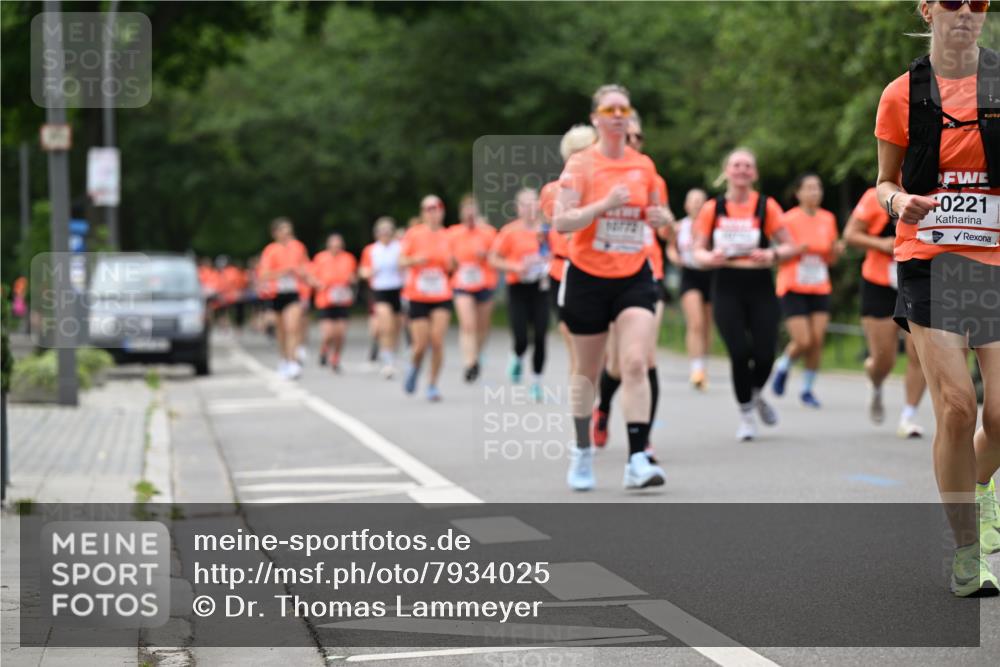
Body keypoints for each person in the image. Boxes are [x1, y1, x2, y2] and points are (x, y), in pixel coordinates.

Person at [874, 0, 998, 596]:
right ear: (927, 10)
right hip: (929, 259)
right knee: (956, 406)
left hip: (994, 263)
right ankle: (968, 552)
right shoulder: (902, 93)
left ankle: (980, 489)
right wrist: (900, 204)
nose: (968, 12)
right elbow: (884, 182)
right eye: (954, 1)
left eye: (979, 2)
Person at [553, 84, 673, 491]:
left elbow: (662, 213)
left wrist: (661, 218)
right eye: (610, 108)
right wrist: (603, 206)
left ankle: (638, 458)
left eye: (624, 108)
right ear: (596, 118)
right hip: (587, 276)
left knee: (636, 361)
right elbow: (562, 221)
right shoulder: (581, 166)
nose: (618, 114)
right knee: (586, 374)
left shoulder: (644, 166)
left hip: (633, 275)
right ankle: (582, 450)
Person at [692, 148, 797, 441]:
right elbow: (697, 250)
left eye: (747, 166)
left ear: (755, 174)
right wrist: (708, 257)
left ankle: (753, 393)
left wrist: (772, 253)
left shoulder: (767, 206)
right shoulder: (712, 208)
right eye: (736, 165)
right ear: (726, 171)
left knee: (765, 354)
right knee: (739, 353)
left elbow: (790, 246)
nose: (742, 170)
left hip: (760, 284)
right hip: (726, 285)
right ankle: (747, 415)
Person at [591, 113, 668, 462]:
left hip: (648, 275)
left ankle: (643, 441)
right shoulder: (597, 172)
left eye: (639, 137)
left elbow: (665, 226)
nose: (634, 142)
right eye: (630, 137)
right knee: (618, 364)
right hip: (606, 277)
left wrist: (664, 221)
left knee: (643, 359)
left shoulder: (651, 175)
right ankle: (604, 406)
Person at [843, 187, 927, 437]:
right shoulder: (875, 196)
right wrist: (881, 243)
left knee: (919, 353)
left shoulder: (931, 190)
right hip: (879, 283)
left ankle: (908, 417)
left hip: (916, 281)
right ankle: (876, 381)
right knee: (883, 359)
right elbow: (850, 235)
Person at [772, 174, 843, 408]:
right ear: (798, 193)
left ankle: (807, 389)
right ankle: (783, 366)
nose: (815, 192)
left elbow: (831, 259)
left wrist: (836, 251)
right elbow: (776, 254)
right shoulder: (787, 219)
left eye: (818, 188)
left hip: (819, 285)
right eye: (809, 188)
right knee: (803, 340)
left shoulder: (828, 219)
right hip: (793, 285)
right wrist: (795, 250)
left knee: (817, 340)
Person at [541, 124, 598, 380]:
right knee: (576, 346)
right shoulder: (553, 191)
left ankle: (596, 402)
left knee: (598, 350)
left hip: (600, 268)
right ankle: (583, 407)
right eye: (582, 152)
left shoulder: (605, 186)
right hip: (564, 270)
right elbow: (565, 227)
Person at [490, 188, 550, 402]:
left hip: (541, 287)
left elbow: (557, 254)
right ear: (517, 208)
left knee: (541, 334)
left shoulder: (547, 230)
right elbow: (493, 259)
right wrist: (515, 267)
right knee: (521, 337)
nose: (530, 207)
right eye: (525, 204)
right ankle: (517, 355)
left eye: (533, 203)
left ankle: (536, 382)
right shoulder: (509, 232)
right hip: (517, 287)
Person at [399, 195, 454, 401]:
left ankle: (432, 384)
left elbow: (454, 265)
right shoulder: (414, 234)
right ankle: (414, 367)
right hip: (418, 295)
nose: (434, 212)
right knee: (420, 345)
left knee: (437, 341)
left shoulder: (448, 235)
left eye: (437, 208)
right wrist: (415, 259)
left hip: (441, 294)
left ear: (442, 212)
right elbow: (401, 261)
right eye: (429, 208)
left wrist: (452, 263)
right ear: (423, 213)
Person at [448, 195, 498, 383]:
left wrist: (485, 255)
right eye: (466, 211)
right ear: (461, 214)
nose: (470, 215)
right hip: (462, 283)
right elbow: (448, 261)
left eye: (473, 211)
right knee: (468, 324)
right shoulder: (453, 233)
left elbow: (497, 256)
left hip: (485, 282)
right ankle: (469, 363)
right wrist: (453, 262)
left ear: (477, 213)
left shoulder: (488, 233)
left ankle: (476, 355)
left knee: (482, 327)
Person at [668, 188, 713, 390]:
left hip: (711, 276)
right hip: (689, 275)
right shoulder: (679, 227)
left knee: (707, 325)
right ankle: (695, 370)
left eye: (700, 201)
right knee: (695, 322)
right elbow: (670, 247)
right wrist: (674, 257)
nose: (696, 204)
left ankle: (703, 366)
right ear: (686, 205)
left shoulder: (713, 226)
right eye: (693, 201)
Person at [257, 217, 311, 379]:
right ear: (275, 233)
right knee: (281, 331)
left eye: (289, 231)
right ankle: (284, 359)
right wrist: (284, 271)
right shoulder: (270, 250)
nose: (287, 234)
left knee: (292, 327)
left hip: (293, 293)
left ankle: (294, 362)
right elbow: (264, 275)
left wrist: (307, 278)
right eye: (283, 231)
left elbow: (306, 268)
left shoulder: (299, 247)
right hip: (276, 294)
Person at [360, 217, 405, 378]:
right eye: (382, 232)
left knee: (397, 326)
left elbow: (406, 265)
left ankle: (392, 353)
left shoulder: (399, 247)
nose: (385, 235)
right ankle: (387, 361)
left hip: (398, 289)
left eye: (388, 232)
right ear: (376, 234)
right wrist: (371, 271)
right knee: (386, 325)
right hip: (380, 290)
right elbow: (363, 271)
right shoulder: (371, 250)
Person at [310, 233, 357, 372]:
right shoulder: (320, 258)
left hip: (342, 300)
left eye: (338, 246)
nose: (336, 248)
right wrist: (319, 284)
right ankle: (324, 349)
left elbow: (354, 277)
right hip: (325, 301)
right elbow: (312, 277)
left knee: (340, 334)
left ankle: (336, 357)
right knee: (329, 334)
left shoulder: (349, 258)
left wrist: (352, 280)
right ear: (328, 245)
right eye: (333, 245)